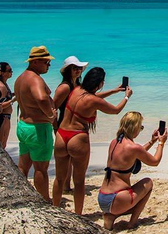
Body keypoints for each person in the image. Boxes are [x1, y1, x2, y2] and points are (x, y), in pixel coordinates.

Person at [52, 67, 132, 215]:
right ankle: (78, 215)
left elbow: (94, 97)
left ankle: (55, 210)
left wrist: (114, 91)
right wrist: (126, 97)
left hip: (61, 135)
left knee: (59, 178)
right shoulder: (93, 100)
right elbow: (115, 110)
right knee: (79, 181)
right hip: (77, 137)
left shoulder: (76, 90)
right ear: (100, 83)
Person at [98, 111, 167, 230]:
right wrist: (161, 143)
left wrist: (152, 141)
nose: (140, 130)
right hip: (117, 198)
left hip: (103, 197)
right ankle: (132, 222)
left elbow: (135, 154)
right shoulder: (133, 147)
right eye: (140, 127)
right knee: (148, 183)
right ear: (135, 127)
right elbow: (155, 161)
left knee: (133, 195)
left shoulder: (114, 142)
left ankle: (110, 216)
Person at [14, 45, 56, 201]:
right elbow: (41, 98)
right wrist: (51, 115)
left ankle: (21, 196)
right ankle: (45, 200)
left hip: (23, 126)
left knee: (23, 166)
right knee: (41, 169)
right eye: (46, 62)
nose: (49, 65)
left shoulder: (20, 78)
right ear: (36, 61)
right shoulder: (35, 79)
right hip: (38, 129)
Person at [53, 56, 89, 192]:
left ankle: (66, 187)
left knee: (69, 159)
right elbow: (53, 108)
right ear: (68, 70)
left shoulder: (77, 86)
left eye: (80, 68)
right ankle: (65, 186)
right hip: (62, 125)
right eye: (75, 68)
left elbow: (91, 99)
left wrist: (115, 91)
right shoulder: (64, 87)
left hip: (72, 126)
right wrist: (55, 126)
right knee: (65, 160)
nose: (78, 70)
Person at [0, 62, 15, 149]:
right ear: (3, 73)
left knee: (3, 143)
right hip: (3, 117)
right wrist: (13, 100)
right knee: (2, 144)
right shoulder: (1, 86)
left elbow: (5, 96)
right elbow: (0, 105)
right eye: (9, 71)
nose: (11, 72)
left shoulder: (4, 84)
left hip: (6, 117)